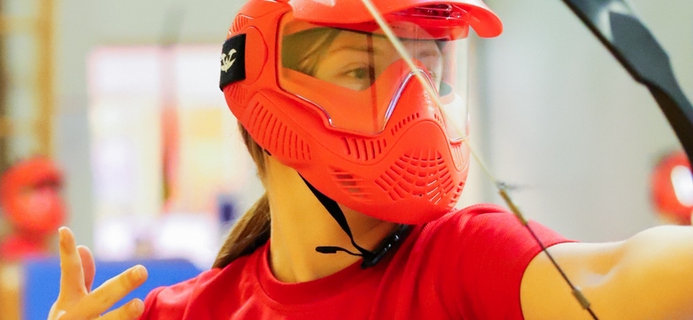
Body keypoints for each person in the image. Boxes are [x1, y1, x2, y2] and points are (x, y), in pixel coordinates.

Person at [48, 0, 693, 319]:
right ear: (264, 105)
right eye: (362, 71)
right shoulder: (182, 313)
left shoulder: (460, 260)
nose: (416, 107)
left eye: (430, 75)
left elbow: (618, 277)